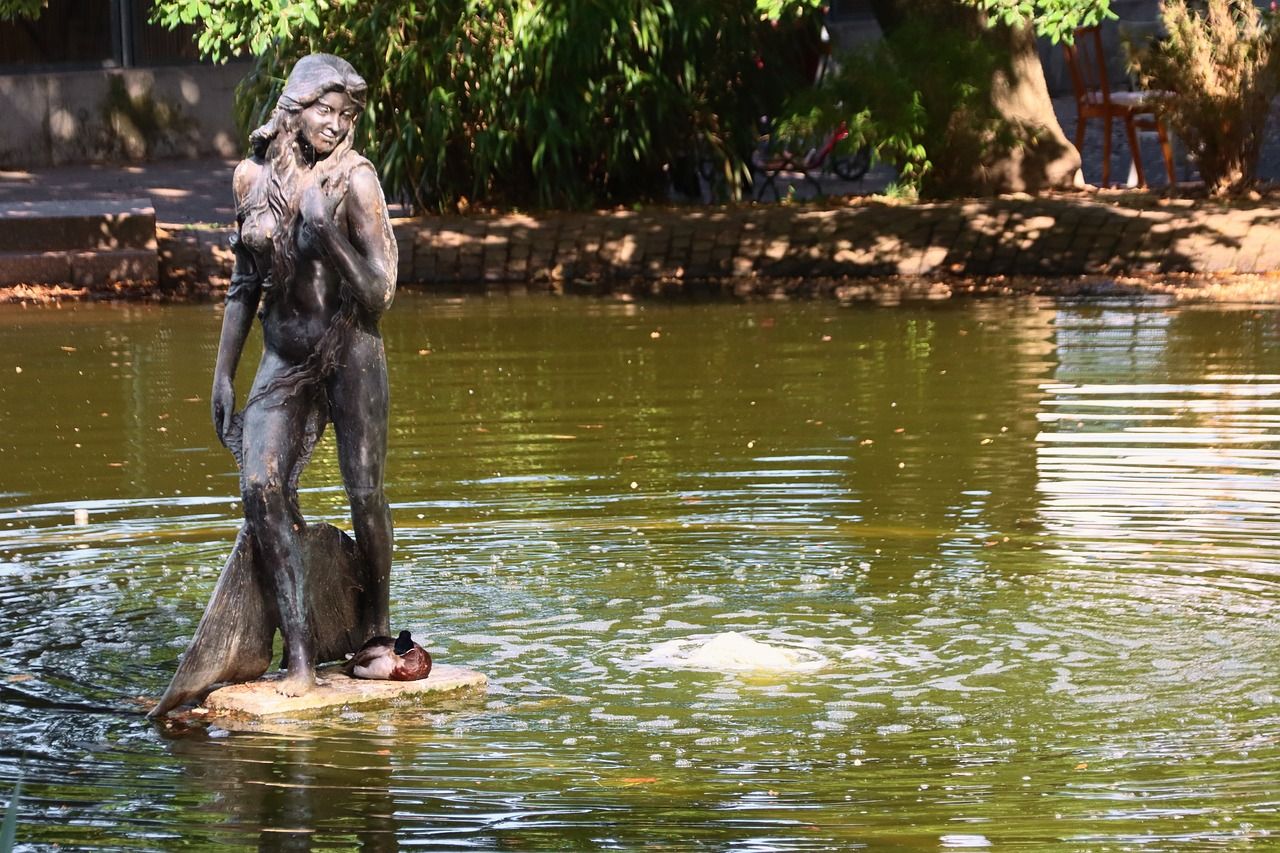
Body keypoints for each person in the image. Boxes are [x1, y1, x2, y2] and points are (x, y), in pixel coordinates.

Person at [211, 53, 398, 696]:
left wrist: (330, 235)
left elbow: (380, 293)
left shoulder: (356, 181)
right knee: (261, 486)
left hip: (351, 353)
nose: (338, 125)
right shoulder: (250, 180)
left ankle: (375, 626)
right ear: (294, 109)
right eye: (326, 110)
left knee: (365, 490)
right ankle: (297, 652)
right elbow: (244, 286)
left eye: (348, 115)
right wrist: (223, 376)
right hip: (284, 357)